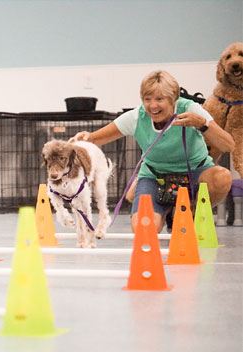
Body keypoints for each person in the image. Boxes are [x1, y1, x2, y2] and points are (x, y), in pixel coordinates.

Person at [70, 70, 235, 233]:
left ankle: (186, 212)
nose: (152, 105)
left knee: (222, 177)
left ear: (173, 99)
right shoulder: (137, 116)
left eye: (159, 99)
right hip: (156, 177)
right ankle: (158, 206)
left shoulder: (191, 109)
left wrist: (201, 123)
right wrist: (82, 139)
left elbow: (228, 145)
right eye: (147, 99)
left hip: (195, 172)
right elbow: (95, 138)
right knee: (144, 229)